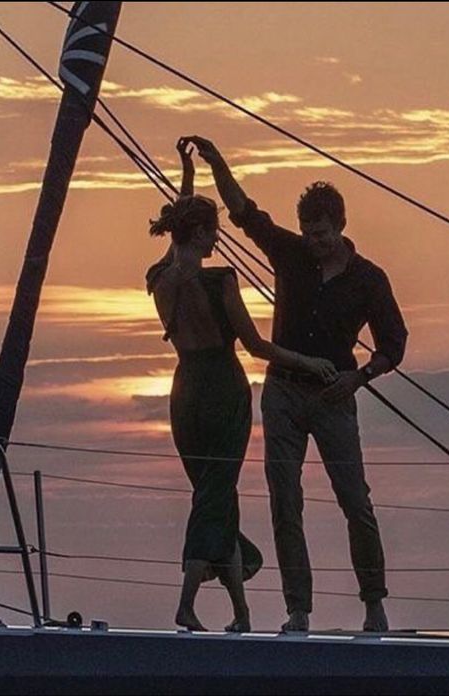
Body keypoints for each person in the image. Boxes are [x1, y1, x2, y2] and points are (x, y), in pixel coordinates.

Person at [188, 135, 408, 633]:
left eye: (323, 233)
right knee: (285, 501)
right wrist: (216, 159)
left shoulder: (369, 279)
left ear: (341, 226)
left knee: (356, 500)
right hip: (284, 392)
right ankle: (298, 610)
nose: (315, 241)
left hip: (335, 397)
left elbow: (394, 343)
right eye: (309, 232)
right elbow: (244, 212)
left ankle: (374, 604)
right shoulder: (288, 253)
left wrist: (359, 378)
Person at [146, 138, 338, 633]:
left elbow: (180, 235)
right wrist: (310, 362)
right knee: (213, 495)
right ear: (204, 232)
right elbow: (257, 346)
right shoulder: (220, 282)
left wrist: (189, 174)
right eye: (212, 233)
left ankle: (241, 613)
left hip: (183, 393)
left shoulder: (161, 278)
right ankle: (186, 604)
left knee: (216, 495)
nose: (217, 241)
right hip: (221, 391)